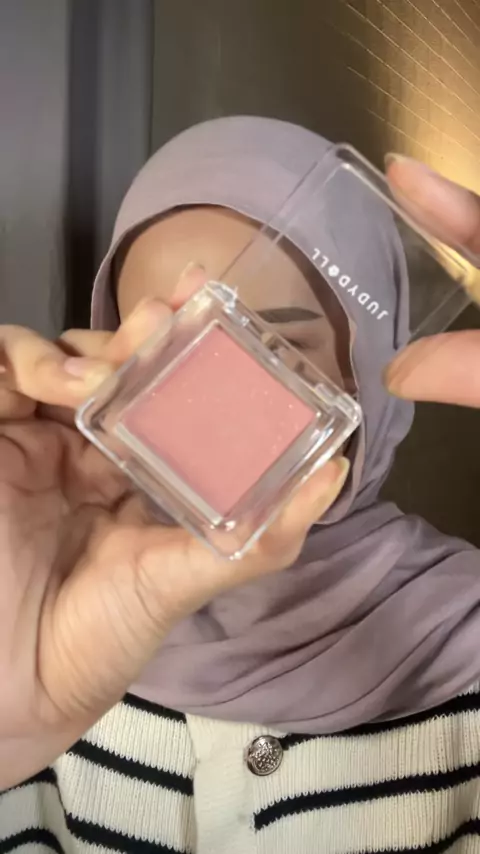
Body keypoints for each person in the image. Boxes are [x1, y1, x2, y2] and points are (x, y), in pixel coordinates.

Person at [1, 117, 480, 854]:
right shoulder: (41, 635)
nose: (217, 404)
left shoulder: (465, 645)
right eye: (168, 349)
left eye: (281, 345)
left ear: (368, 371)